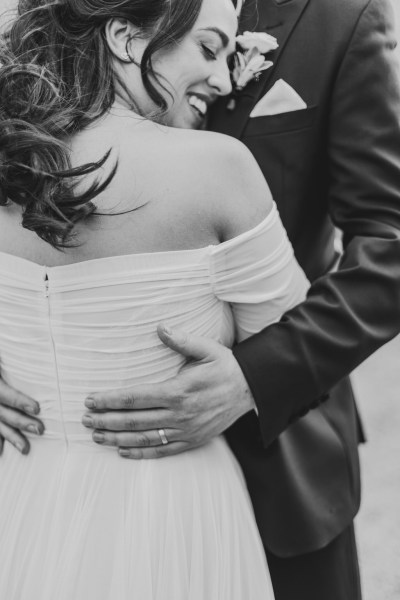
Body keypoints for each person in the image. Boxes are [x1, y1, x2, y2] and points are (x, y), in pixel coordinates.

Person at [18, 1, 397, 599]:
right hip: (66, 461)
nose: (221, 78)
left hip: (283, 451)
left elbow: (389, 244)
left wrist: (255, 377)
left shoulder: (341, 18)